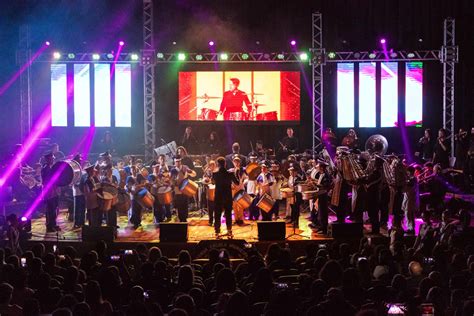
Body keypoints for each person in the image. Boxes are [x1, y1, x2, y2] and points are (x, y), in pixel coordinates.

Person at [212, 157, 238, 238]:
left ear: (217, 164)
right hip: (227, 197)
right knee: (228, 214)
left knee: (217, 214)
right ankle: (229, 231)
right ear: (225, 164)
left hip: (218, 197)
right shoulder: (230, 173)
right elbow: (237, 183)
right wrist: (235, 172)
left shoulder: (215, 174)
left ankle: (217, 232)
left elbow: (212, 182)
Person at [170, 155, 197, 222]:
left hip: (185, 189)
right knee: (179, 205)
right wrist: (173, 181)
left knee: (185, 204)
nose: (177, 163)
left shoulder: (185, 167)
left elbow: (194, 174)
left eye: (179, 161)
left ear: (181, 161)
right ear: (174, 162)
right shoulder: (173, 170)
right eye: (176, 162)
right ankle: (180, 219)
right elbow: (171, 180)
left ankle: (184, 219)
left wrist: (190, 172)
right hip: (177, 190)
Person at [311, 161, 332, 234]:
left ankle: (324, 229)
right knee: (320, 212)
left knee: (323, 213)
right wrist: (314, 183)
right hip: (320, 195)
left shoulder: (326, 176)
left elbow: (325, 186)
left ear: (322, 168)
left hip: (323, 196)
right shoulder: (321, 174)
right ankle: (320, 227)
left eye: (319, 166)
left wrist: (316, 185)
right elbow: (320, 183)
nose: (317, 167)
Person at [364, 155, 384, 234]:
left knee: (373, 213)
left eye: (375, 162)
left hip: (373, 195)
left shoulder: (376, 172)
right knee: (373, 213)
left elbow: (368, 180)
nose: (373, 163)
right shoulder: (377, 171)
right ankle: (375, 230)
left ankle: (375, 231)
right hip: (374, 194)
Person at [41, 152, 60, 232]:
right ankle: (49, 226)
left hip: (54, 191)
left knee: (55, 208)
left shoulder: (51, 168)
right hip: (49, 192)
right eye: (52, 158)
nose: (53, 159)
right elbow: (46, 181)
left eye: (53, 158)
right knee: (50, 209)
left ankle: (54, 224)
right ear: (48, 159)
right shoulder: (45, 168)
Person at [228, 155, 246, 225]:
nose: (236, 163)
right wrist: (230, 185)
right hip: (233, 189)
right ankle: (236, 219)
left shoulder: (243, 170)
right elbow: (228, 179)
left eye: (238, 161)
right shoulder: (231, 170)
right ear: (233, 162)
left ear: (240, 162)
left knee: (241, 204)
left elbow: (247, 178)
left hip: (240, 189)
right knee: (234, 205)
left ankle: (241, 219)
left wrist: (244, 182)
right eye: (235, 161)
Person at [82, 163, 100, 227]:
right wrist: (98, 188)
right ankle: (92, 229)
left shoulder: (92, 179)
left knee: (95, 216)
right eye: (93, 171)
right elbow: (90, 191)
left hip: (94, 201)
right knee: (92, 216)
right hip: (91, 202)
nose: (94, 172)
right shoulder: (88, 181)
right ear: (90, 172)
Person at [72, 155, 86, 228]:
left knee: (83, 208)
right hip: (77, 192)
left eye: (80, 161)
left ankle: (82, 222)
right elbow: (72, 181)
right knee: (77, 209)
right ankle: (76, 223)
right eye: (78, 161)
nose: (80, 162)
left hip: (83, 192)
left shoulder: (82, 170)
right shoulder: (73, 170)